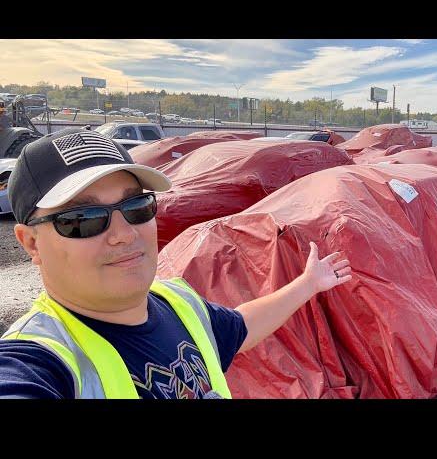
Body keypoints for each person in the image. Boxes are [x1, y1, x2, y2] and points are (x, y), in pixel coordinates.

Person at [0, 129, 352, 399]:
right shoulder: (38, 361)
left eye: (136, 207)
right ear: (31, 242)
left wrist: (308, 283)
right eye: (83, 218)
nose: (123, 234)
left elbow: (240, 327)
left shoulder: (177, 303)